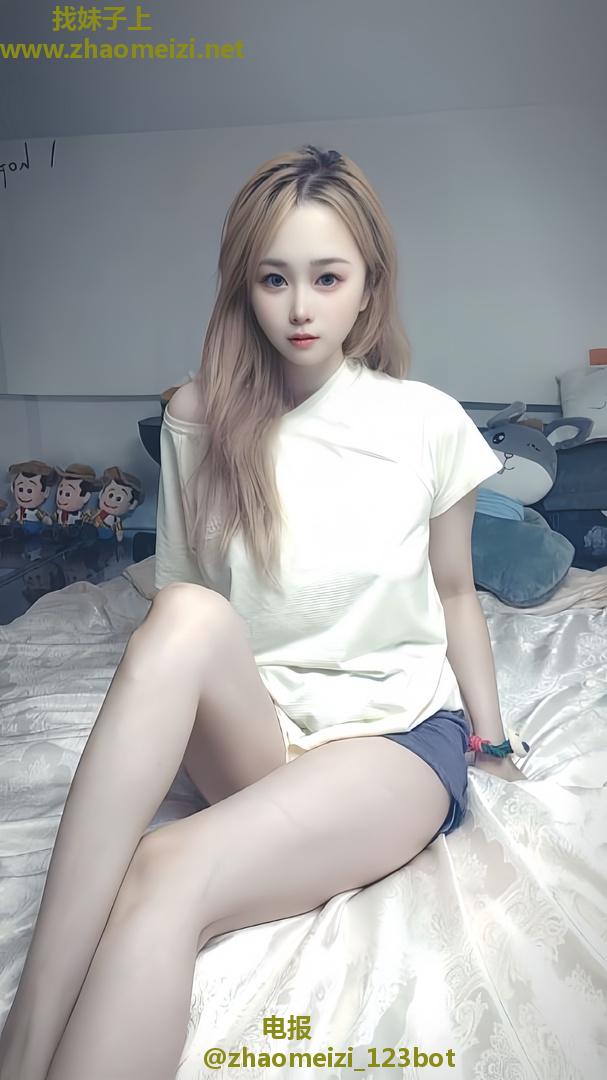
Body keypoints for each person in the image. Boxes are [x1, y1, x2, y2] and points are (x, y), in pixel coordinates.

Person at [0, 144, 527, 1080]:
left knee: (165, 868)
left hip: (388, 741)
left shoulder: (426, 421)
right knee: (182, 613)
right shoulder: (200, 417)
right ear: (244, 288)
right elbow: (190, 597)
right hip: (258, 731)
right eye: (273, 279)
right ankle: (26, 1037)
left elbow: (454, 589)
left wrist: (489, 735)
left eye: (327, 278)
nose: (299, 308)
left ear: (368, 288)